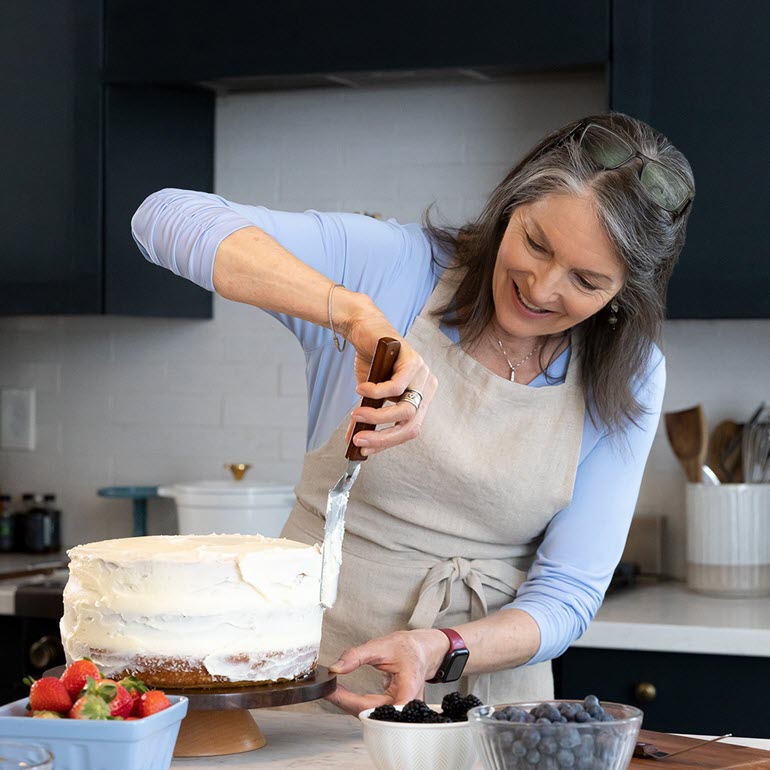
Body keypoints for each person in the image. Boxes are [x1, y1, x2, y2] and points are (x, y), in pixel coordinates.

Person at [131, 112, 694, 715]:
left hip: (489, 711)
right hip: (310, 681)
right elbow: (163, 217)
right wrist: (354, 317)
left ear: (624, 291)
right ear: (513, 203)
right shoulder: (395, 269)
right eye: (535, 242)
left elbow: (569, 591)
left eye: (585, 280)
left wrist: (440, 647)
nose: (541, 286)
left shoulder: (629, 369)